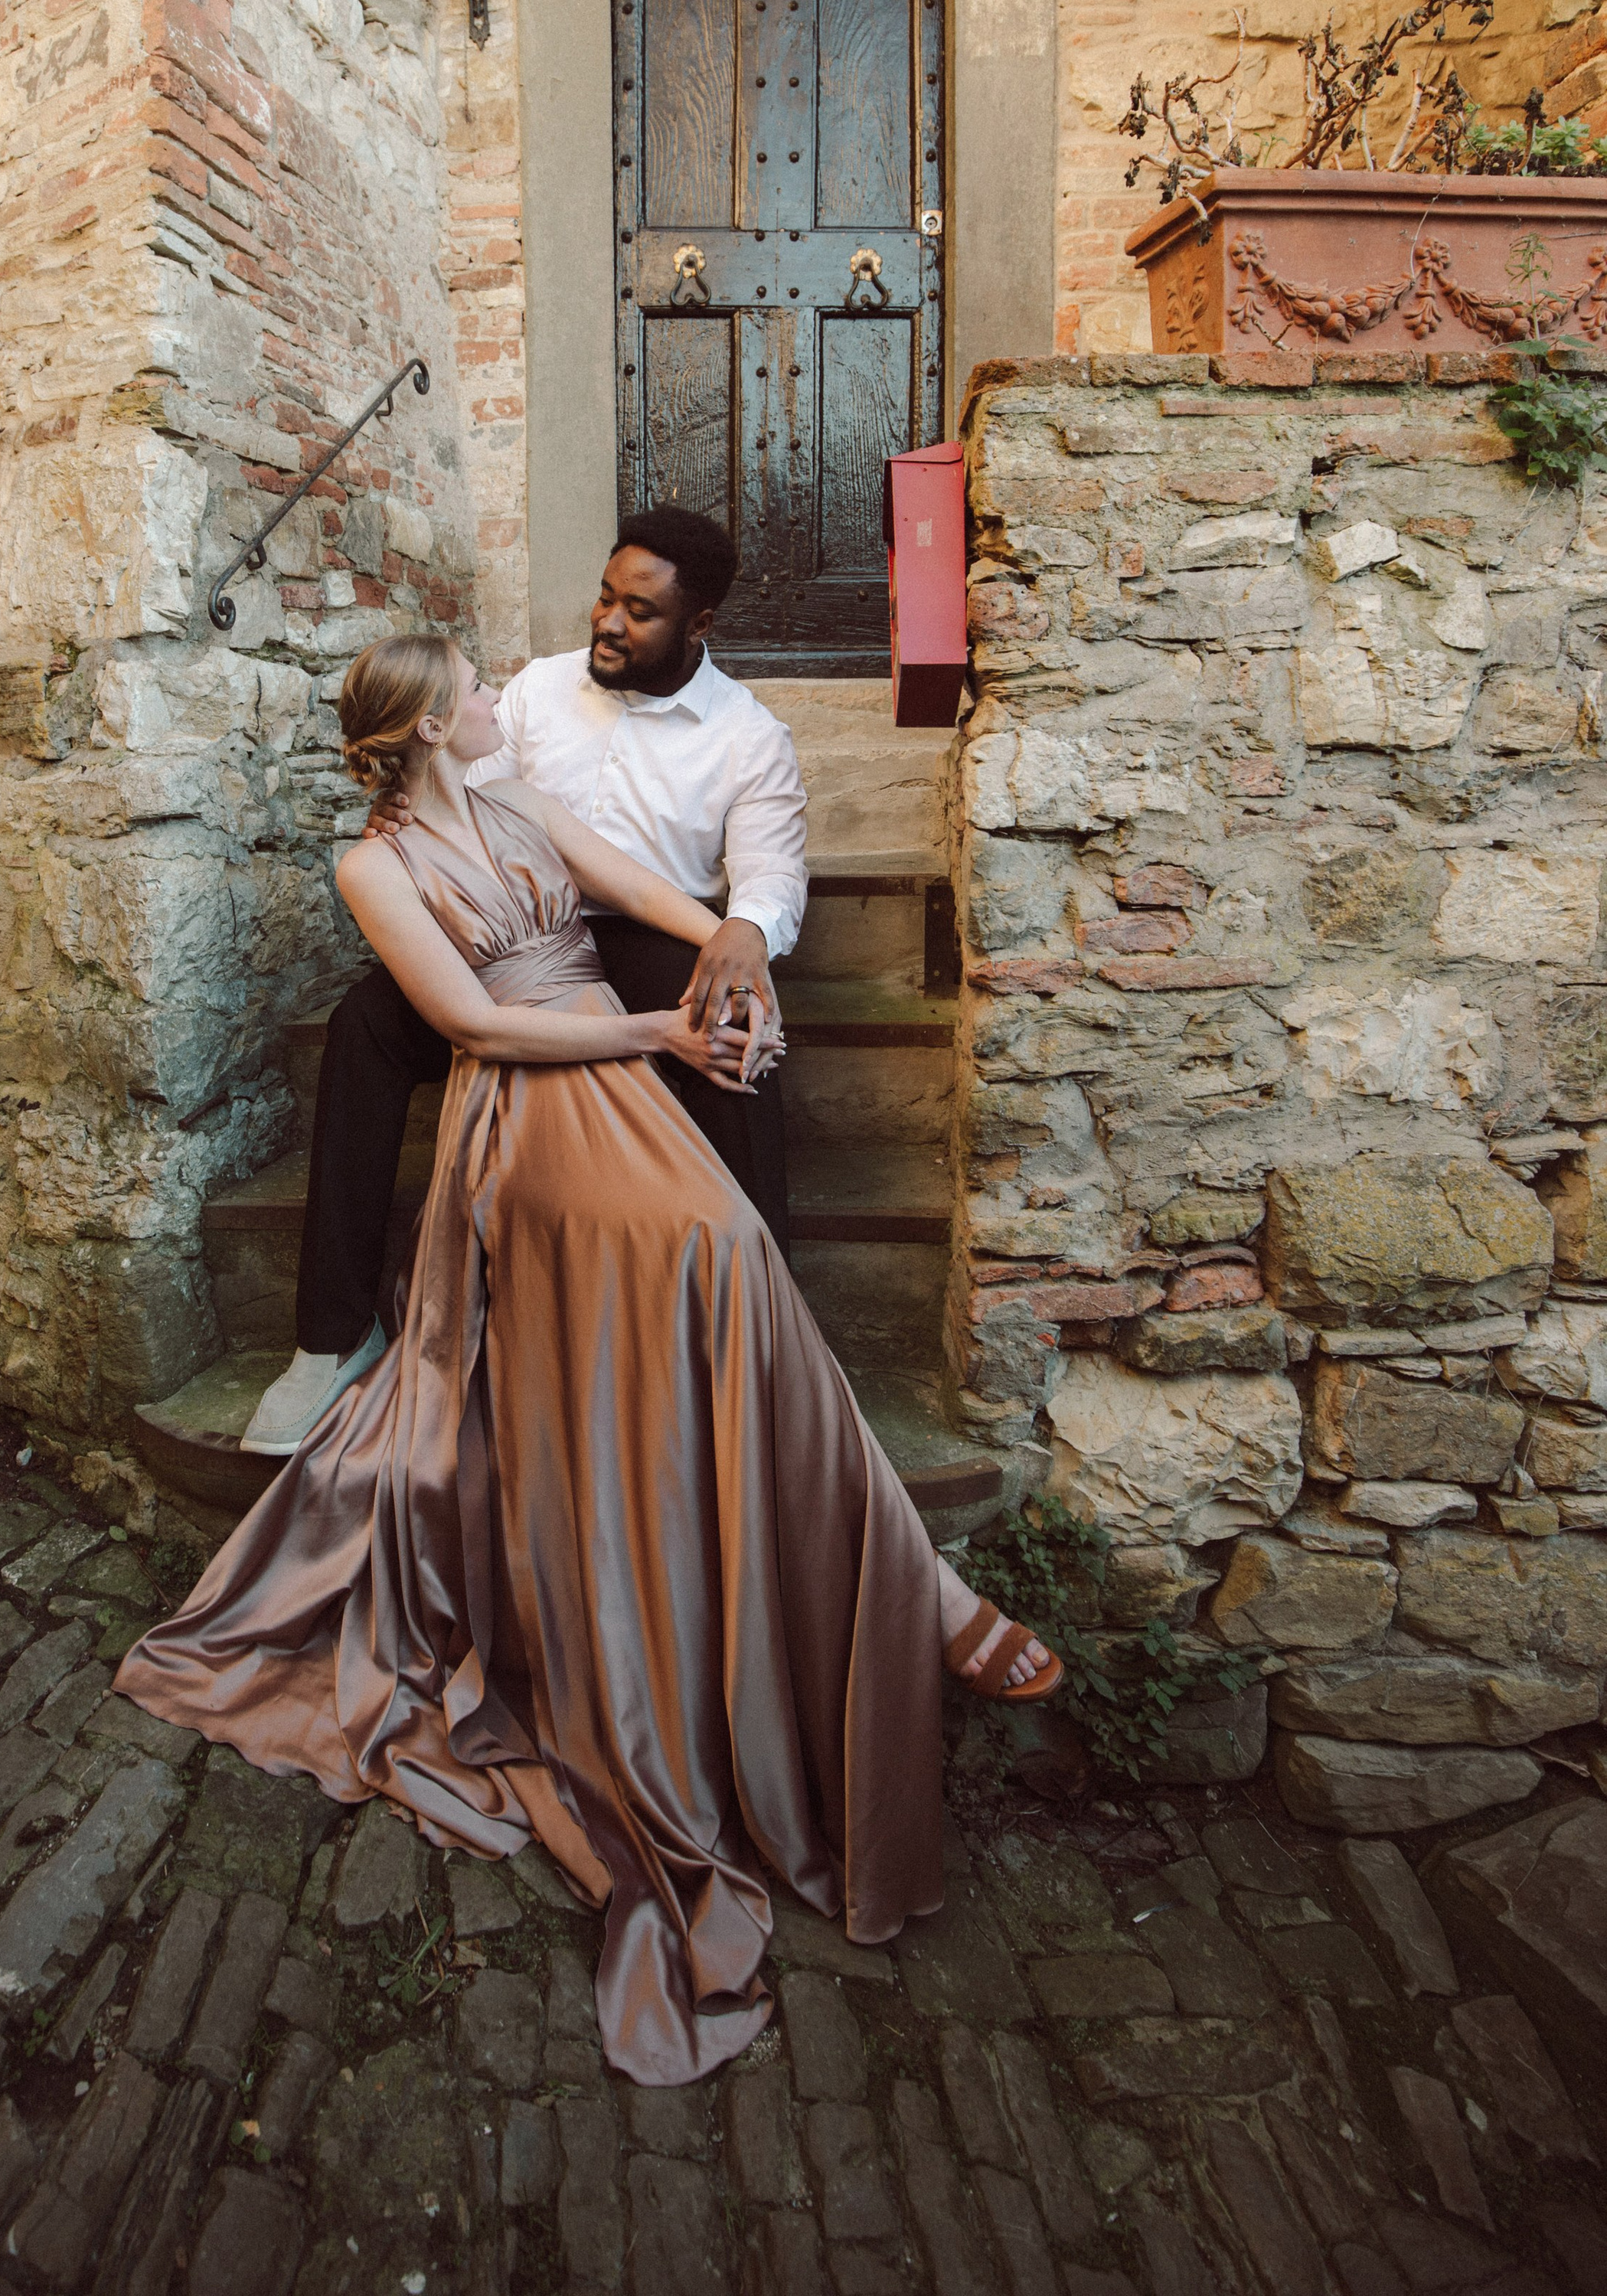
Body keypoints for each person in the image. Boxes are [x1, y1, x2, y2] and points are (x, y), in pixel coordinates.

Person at [116, 632, 1061, 2089]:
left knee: (732, 1250)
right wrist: (656, 1036)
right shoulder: (374, 869)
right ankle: (920, 1587)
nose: (506, 693)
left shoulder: (514, 796)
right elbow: (472, 1020)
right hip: (527, 1103)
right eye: (479, 685)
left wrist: (727, 948)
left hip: (620, 1065)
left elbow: (630, 891)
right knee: (715, 1250)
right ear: (432, 723)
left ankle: (901, 1577)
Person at [239, 505, 806, 1458]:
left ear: (697, 624)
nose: (609, 624)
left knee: (727, 1018)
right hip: (502, 934)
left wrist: (743, 936)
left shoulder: (748, 737)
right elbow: (460, 798)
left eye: (640, 612)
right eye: (604, 597)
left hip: (643, 937)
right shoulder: (538, 692)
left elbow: (765, 871)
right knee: (361, 1026)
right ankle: (330, 1334)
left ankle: (764, 1312)